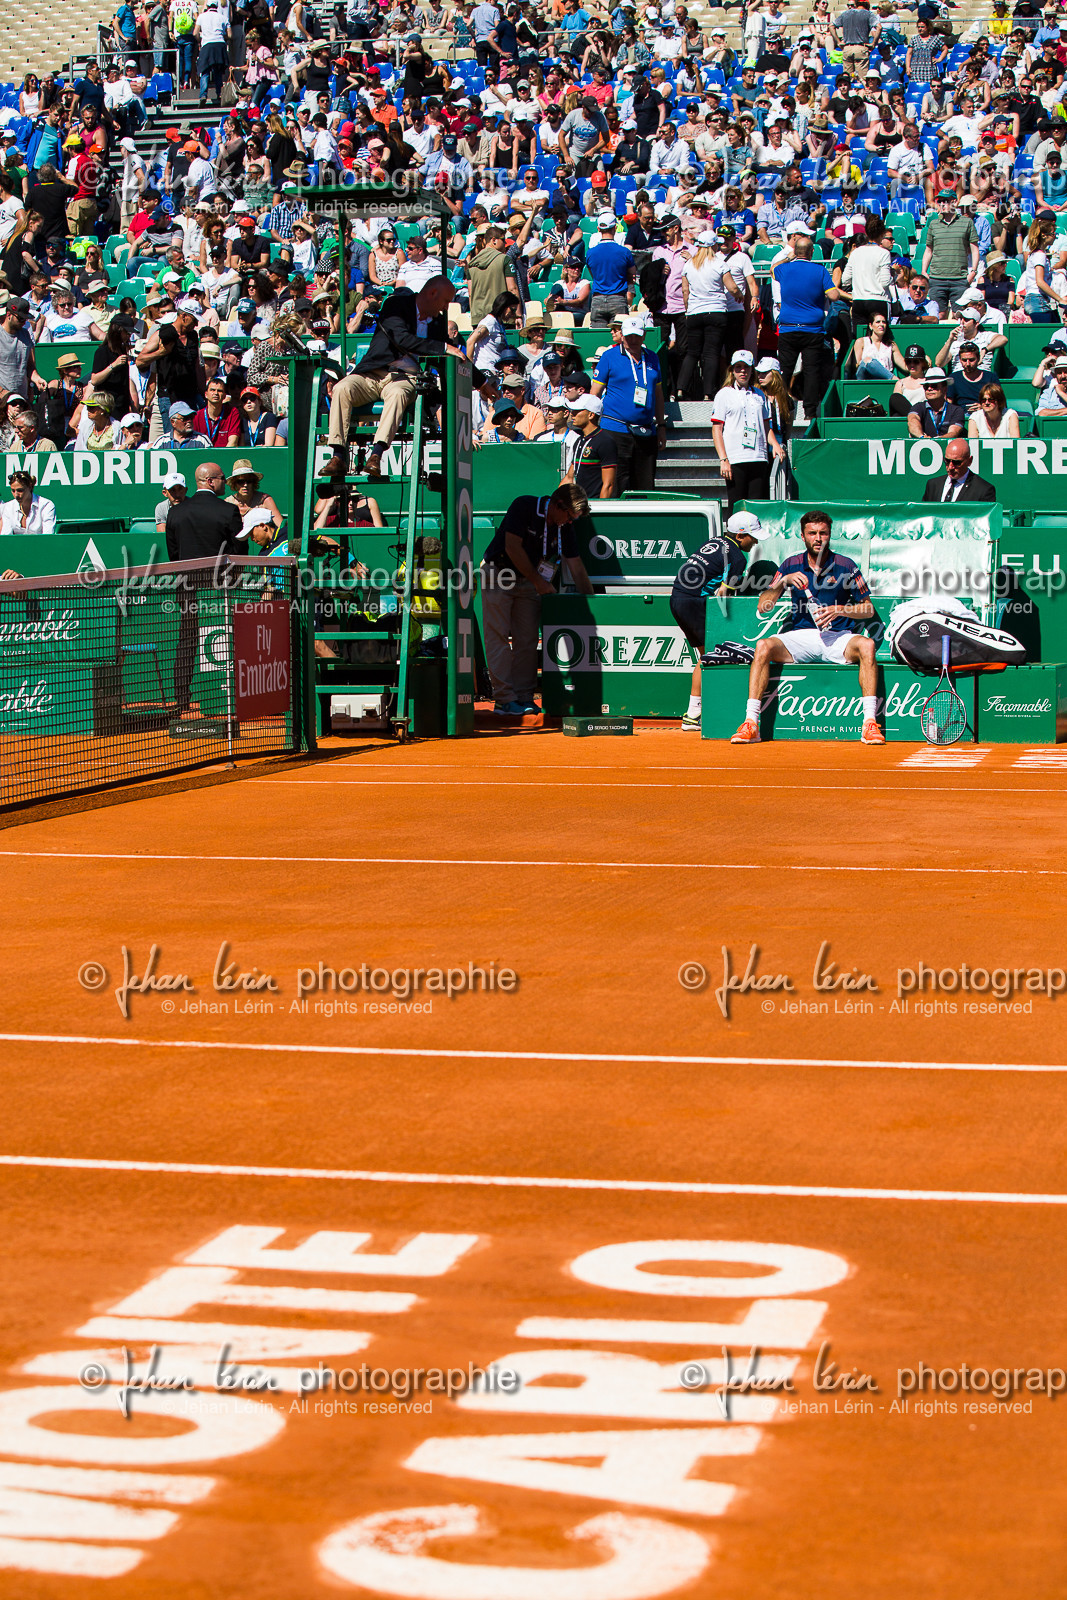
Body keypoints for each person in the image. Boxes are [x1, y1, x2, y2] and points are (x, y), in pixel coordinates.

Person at [731, 507, 883, 746]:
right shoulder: (791, 564)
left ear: (830, 535)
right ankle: (751, 723)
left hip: (838, 638)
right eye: (812, 533)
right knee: (762, 646)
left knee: (867, 645)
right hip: (800, 638)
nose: (818, 538)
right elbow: (764, 606)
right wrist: (783, 581)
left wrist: (839, 609)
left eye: (823, 533)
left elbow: (868, 609)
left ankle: (870, 724)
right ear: (803, 536)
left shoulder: (846, 565)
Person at [326, 278, 465, 478]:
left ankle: (376, 454)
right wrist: (444, 347)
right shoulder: (394, 305)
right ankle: (338, 455)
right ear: (432, 294)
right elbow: (402, 339)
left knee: (398, 394)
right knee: (341, 388)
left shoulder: (437, 323)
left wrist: (483, 384)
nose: (445, 307)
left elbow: (457, 356)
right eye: (445, 301)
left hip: (404, 378)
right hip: (373, 372)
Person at [479, 483, 593, 716]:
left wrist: (594, 605)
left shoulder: (565, 526)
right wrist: (539, 582)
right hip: (500, 574)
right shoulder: (524, 505)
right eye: (570, 517)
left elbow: (577, 568)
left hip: (529, 583)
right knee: (498, 637)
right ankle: (503, 699)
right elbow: (512, 547)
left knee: (528, 641)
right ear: (557, 505)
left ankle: (523, 696)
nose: (570, 523)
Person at [671, 509, 762, 731]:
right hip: (695, 603)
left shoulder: (717, 541)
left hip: (677, 598)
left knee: (706, 656)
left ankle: (693, 715)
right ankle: (696, 714)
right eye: (753, 536)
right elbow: (724, 595)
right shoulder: (738, 557)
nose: (756, 540)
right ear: (740, 535)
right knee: (712, 656)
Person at [166, 460, 244, 714]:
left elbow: (174, 555)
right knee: (222, 638)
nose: (225, 482)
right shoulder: (228, 511)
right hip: (220, 589)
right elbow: (239, 552)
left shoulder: (176, 512)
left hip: (187, 588)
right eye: (222, 478)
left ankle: (181, 699)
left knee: (187, 639)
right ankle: (224, 697)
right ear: (210, 481)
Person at [590, 315, 666, 495]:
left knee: (645, 485)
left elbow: (658, 395)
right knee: (617, 483)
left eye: (637, 336)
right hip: (615, 430)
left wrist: (661, 425)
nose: (633, 340)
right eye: (629, 336)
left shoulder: (653, 358)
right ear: (622, 335)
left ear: (644, 336)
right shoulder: (609, 356)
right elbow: (594, 394)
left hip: (645, 431)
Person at [772, 232, 839, 421]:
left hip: (788, 328)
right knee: (811, 372)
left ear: (796, 252)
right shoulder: (820, 271)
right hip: (812, 329)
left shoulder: (784, 270)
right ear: (811, 252)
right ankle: (809, 412)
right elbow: (834, 296)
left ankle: (780, 407)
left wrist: (788, 257)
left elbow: (773, 269)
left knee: (784, 370)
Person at [712, 350, 786, 512]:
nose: (742, 371)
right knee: (737, 505)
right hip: (735, 457)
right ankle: (734, 537)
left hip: (758, 456)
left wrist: (775, 444)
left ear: (752, 369)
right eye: (738, 367)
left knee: (756, 506)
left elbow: (766, 426)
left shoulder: (759, 394)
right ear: (732, 370)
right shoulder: (724, 394)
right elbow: (717, 429)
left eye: (746, 367)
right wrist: (723, 459)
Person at [921, 189, 981, 317]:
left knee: (958, 315)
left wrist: (973, 272)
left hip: (959, 278)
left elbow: (975, 248)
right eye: (940, 201)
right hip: (937, 278)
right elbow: (929, 249)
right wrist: (924, 272)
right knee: (938, 315)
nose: (942, 204)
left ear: (954, 202)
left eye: (946, 201)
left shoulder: (967, 222)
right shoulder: (933, 224)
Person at [564, 392, 618, 499]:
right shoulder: (579, 440)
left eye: (577, 411)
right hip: (580, 505)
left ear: (591, 415)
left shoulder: (605, 442)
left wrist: (600, 511)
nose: (572, 414)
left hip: (594, 505)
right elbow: (569, 478)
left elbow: (608, 485)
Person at [586, 211, 635, 327]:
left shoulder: (590, 253)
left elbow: (593, 275)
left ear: (598, 229)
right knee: (618, 339)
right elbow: (632, 275)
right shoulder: (625, 252)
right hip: (618, 299)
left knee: (599, 339)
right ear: (615, 228)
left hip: (597, 300)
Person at [920, 438, 998, 502]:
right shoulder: (933, 485)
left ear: (969, 461)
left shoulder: (983, 490)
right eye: (947, 461)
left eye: (956, 462)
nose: (950, 467)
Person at [907, 368, 967, 439]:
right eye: (926, 386)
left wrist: (937, 441)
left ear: (945, 389)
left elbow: (953, 433)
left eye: (934, 385)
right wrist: (922, 437)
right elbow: (912, 420)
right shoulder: (918, 407)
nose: (929, 389)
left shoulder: (956, 410)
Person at [0, 467, 56, 536]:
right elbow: (6, 537)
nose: (16, 495)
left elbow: (48, 536)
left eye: (20, 490)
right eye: (13, 491)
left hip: (40, 545)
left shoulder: (46, 505)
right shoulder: (8, 507)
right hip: (15, 546)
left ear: (30, 487)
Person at [853, 311, 907, 380]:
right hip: (865, 377)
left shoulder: (890, 345)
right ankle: (894, 379)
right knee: (867, 360)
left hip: (883, 378)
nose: (881, 324)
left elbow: (904, 365)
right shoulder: (861, 342)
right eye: (878, 322)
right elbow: (857, 365)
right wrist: (872, 364)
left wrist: (921, 361)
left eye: (883, 322)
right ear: (870, 325)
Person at [154, 470, 187, 536]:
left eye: (180, 489)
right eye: (172, 490)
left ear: (185, 490)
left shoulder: (194, 506)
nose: (177, 495)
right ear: (165, 493)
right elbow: (162, 535)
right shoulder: (161, 507)